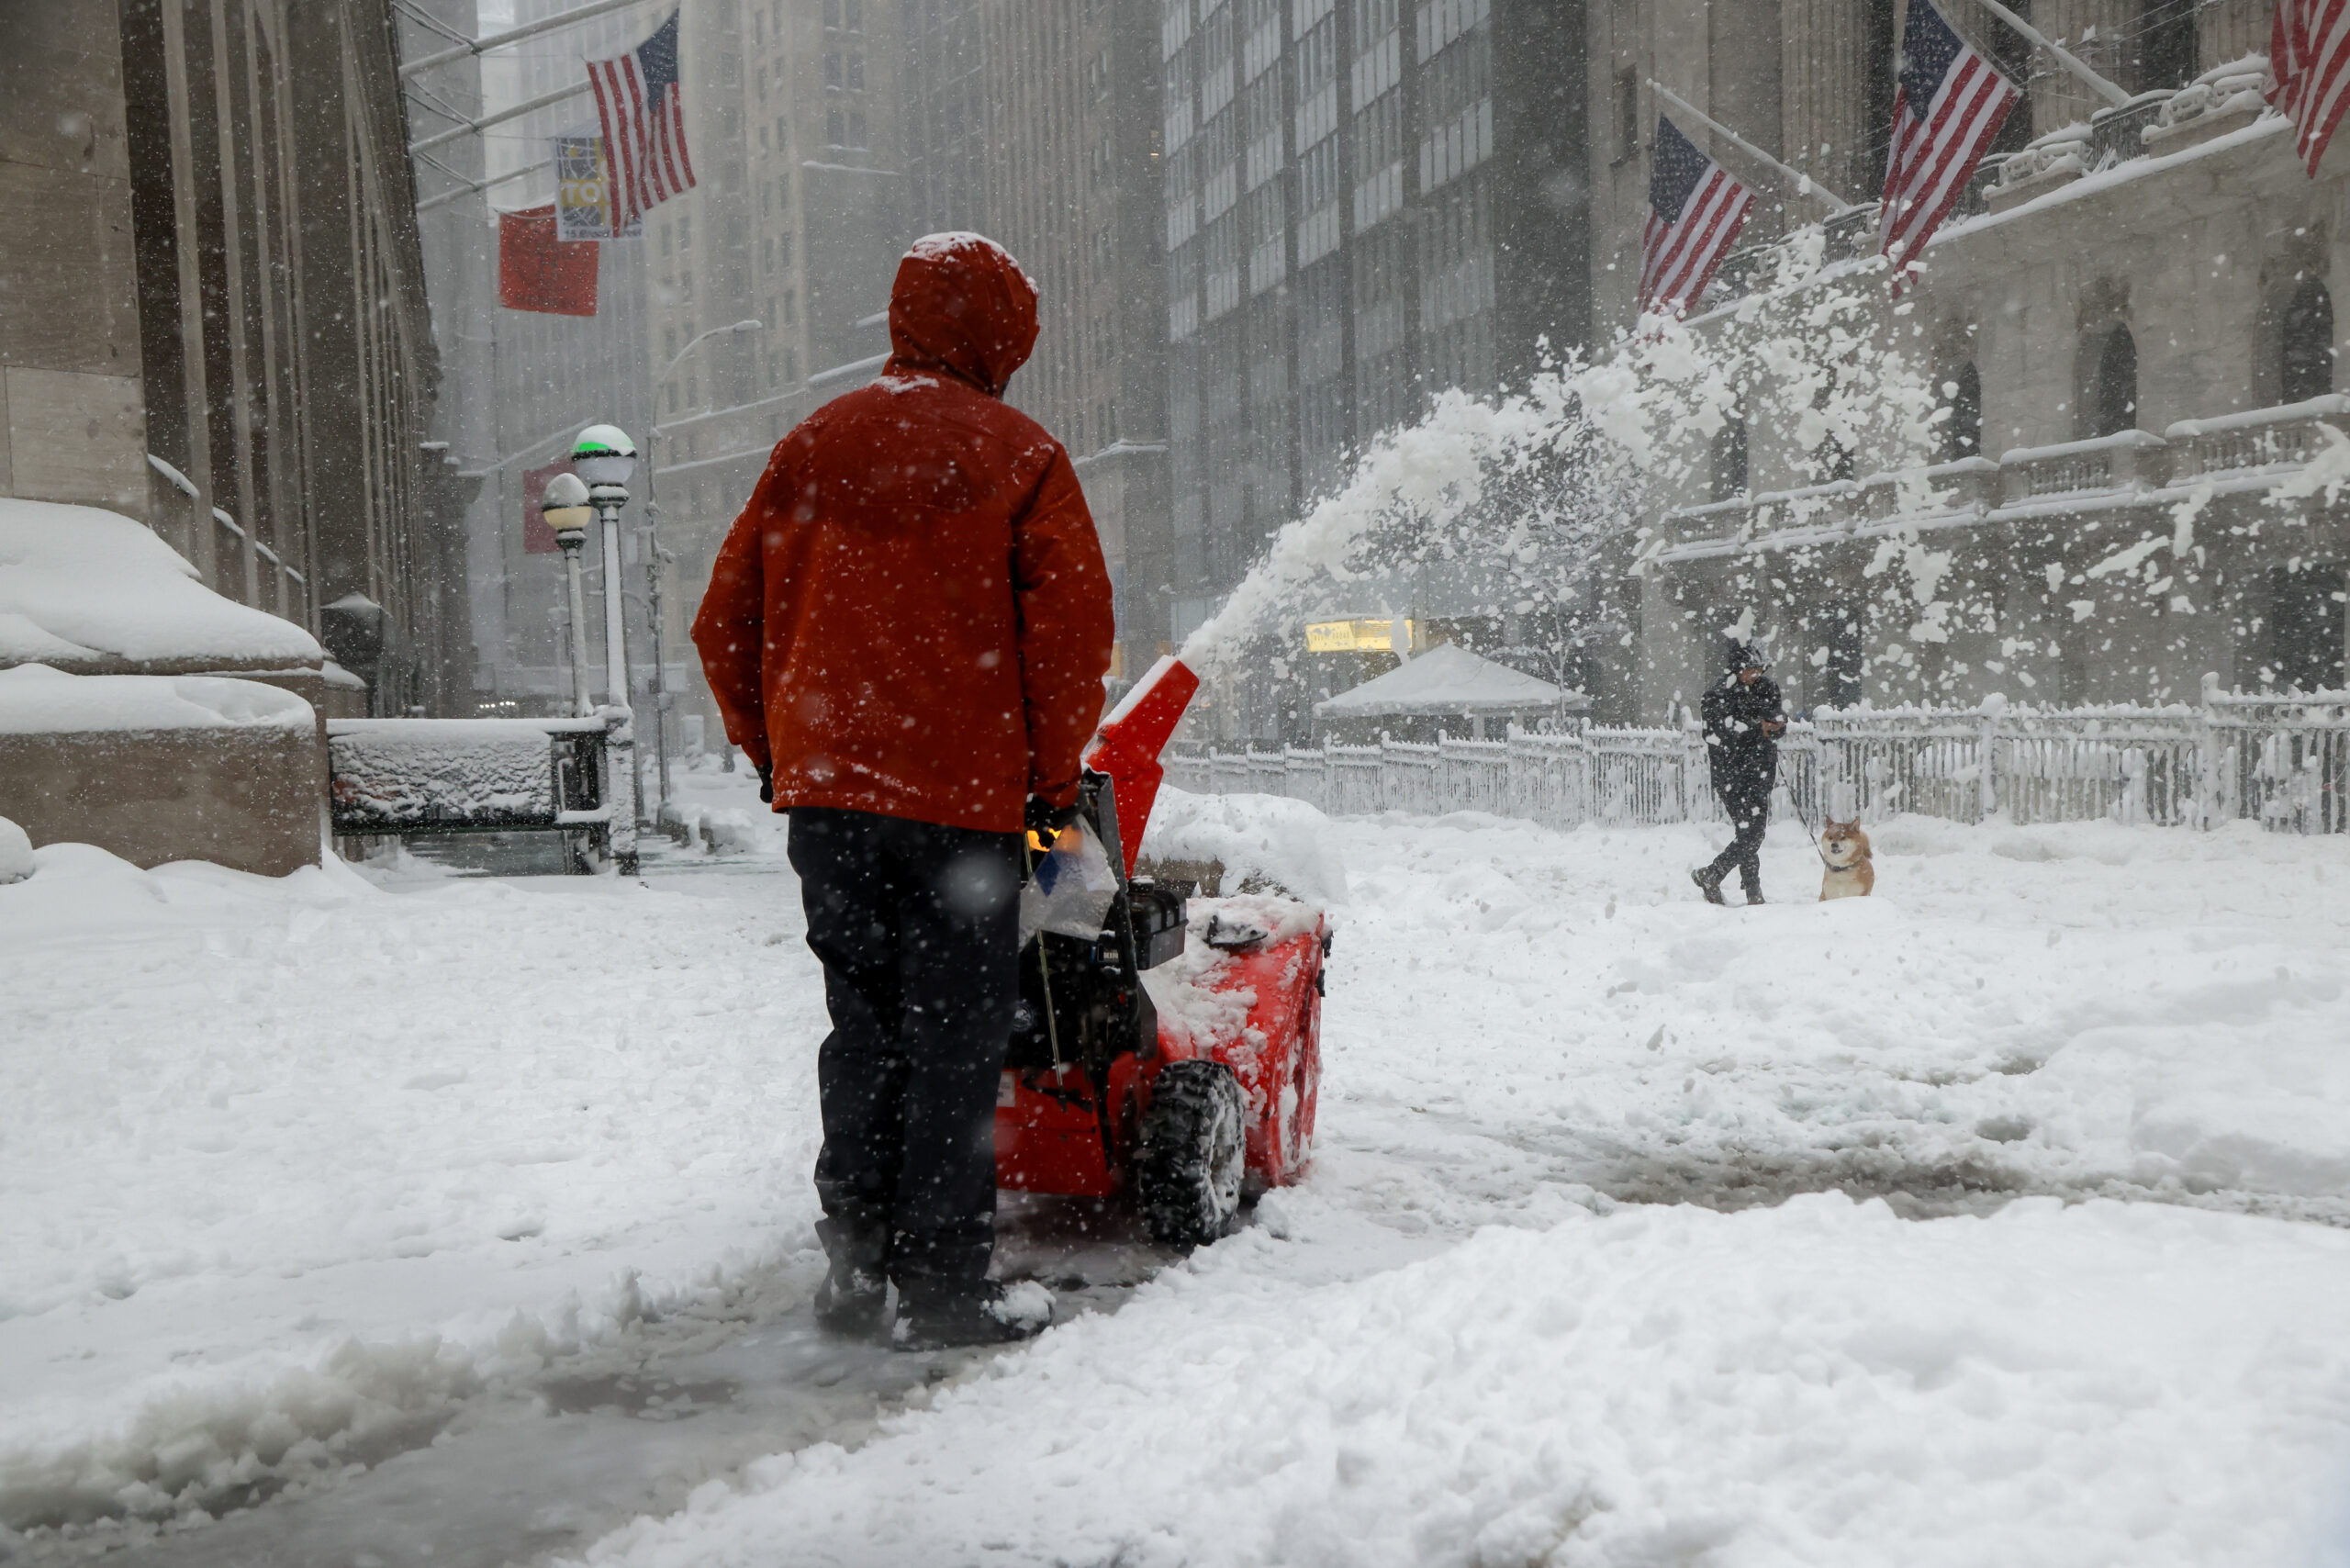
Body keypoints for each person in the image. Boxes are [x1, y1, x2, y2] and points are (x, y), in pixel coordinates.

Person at [691, 232, 1114, 1349]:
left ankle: (856, 1260)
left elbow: (721, 621)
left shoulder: (812, 447)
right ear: (1001, 335)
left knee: (863, 1025)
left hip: (830, 808)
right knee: (954, 1041)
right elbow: (1067, 645)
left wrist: (778, 751)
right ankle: (942, 1285)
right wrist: (1050, 787)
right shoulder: (1020, 456)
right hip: (963, 812)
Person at [1692, 643, 1785, 905]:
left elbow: (1777, 719)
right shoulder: (1716, 696)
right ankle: (1726, 878)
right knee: (1751, 834)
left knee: (1751, 832)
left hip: (1760, 772)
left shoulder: (1767, 689)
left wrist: (1776, 726)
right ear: (1737, 669)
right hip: (1731, 774)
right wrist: (1759, 729)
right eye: (1750, 670)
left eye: (1759, 669)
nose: (1755, 675)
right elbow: (1718, 734)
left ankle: (1734, 883)